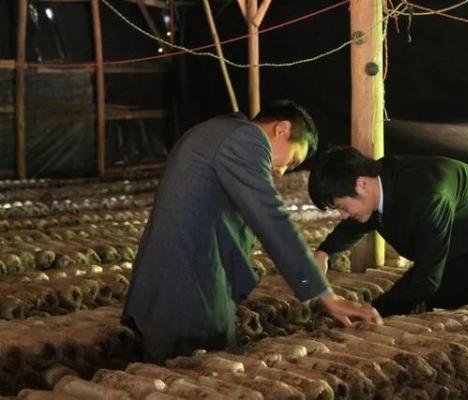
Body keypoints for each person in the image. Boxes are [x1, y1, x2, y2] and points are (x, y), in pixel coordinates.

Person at [122, 102, 382, 363]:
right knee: (196, 373)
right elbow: (272, 220)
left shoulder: (213, 131)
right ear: (282, 129)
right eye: (292, 160)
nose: (281, 171)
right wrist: (324, 294)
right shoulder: (245, 140)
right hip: (187, 298)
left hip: (167, 291)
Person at [309, 146, 468, 317]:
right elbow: (358, 220)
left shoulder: (426, 197)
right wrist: (325, 253)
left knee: (460, 324)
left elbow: (426, 278)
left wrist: (374, 310)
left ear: (361, 184)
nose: (343, 215)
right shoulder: (379, 181)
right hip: (452, 252)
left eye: (342, 207)